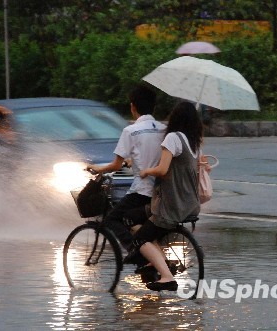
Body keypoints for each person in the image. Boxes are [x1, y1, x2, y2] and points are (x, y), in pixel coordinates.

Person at [133, 101, 204, 292]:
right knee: (140, 218)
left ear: (175, 118)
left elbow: (163, 170)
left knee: (139, 238)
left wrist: (146, 171)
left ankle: (167, 276)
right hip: (190, 203)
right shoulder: (194, 142)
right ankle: (155, 261)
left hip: (172, 204)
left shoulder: (173, 138)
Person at [86, 84, 166, 249]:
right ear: (154, 106)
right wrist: (132, 161)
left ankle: (135, 250)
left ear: (132, 106)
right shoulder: (164, 129)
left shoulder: (131, 131)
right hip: (161, 190)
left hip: (143, 190)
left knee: (111, 219)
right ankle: (149, 255)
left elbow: (115, 165)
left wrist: (97, 168)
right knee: (137, 222)